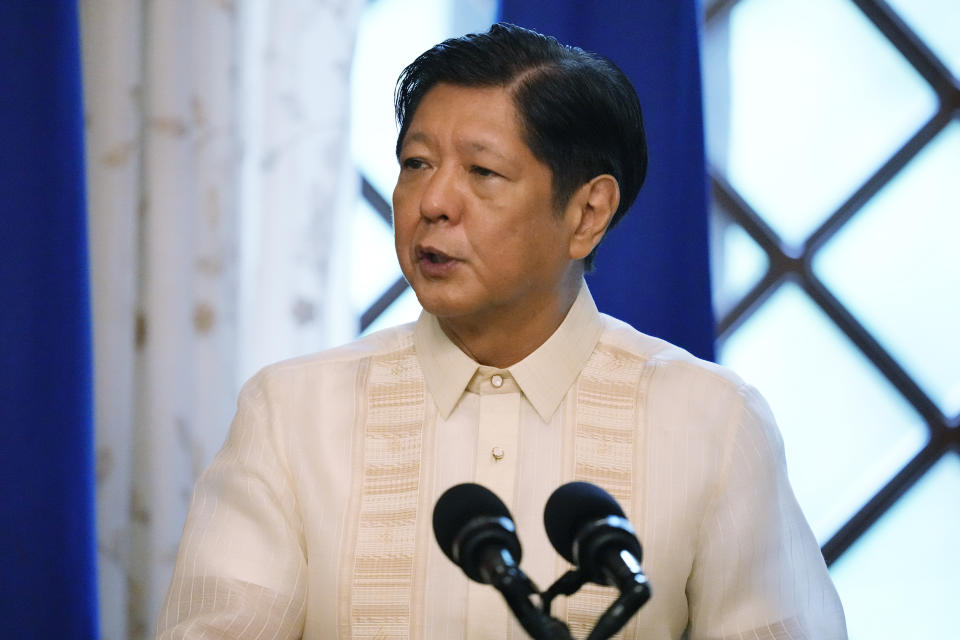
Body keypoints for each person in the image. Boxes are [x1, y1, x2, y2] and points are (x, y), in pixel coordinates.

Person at [157, 23, 846, 639]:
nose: (432, 203)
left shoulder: (714, 424)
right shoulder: (291, 414)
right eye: (416, 163)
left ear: (586, 214)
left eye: (482, 172)